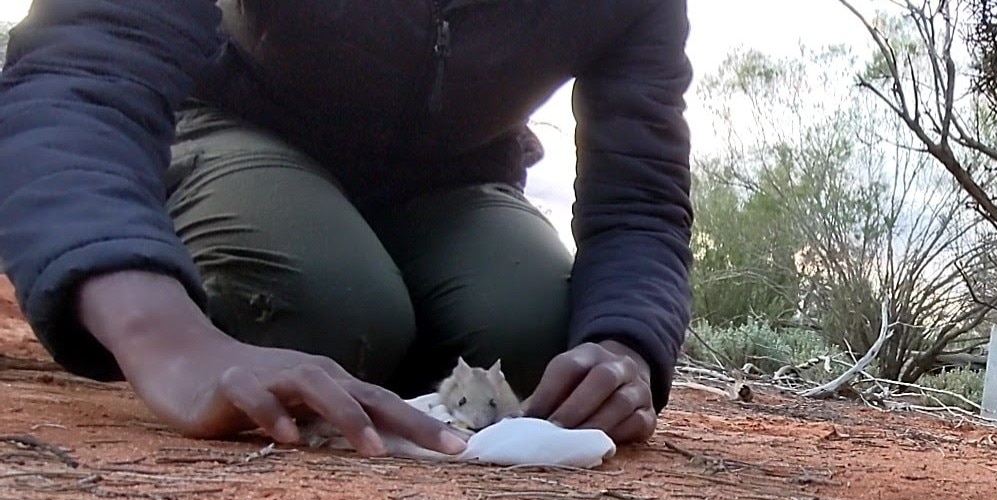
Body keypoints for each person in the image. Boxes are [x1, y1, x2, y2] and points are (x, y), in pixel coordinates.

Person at [0, 0, 695, 457]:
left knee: (538, 347)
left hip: (450, 180)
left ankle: (381, 338)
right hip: (232, 124)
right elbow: (80, 74)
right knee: (318, 307)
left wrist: (626, 347)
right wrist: (166, 337)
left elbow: (639, 194)